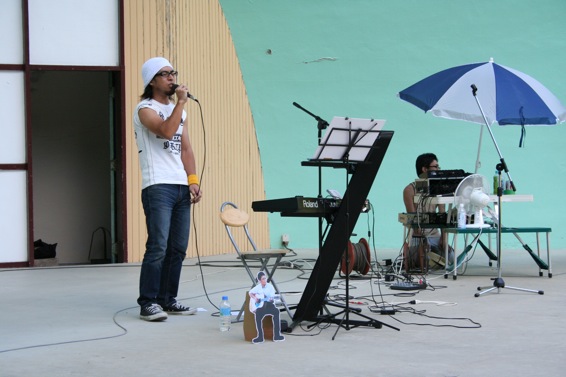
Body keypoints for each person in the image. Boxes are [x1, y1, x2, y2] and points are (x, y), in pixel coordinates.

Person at [133, 57, 203, 322]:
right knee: (158, 246)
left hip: (179, 186)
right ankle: (148, 302)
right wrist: (181, 103)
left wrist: (193, 179)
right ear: (152, 81)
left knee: (178, 248)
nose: (172, 78)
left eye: (173, 73)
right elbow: (165, 131)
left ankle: (167, 299)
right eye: (165, 74)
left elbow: (185, 148)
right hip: (157, 186)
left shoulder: (179, 111)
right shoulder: (145, 109)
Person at [403, 153, 452, 268]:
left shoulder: (438, 189)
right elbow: (412, 217)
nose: (438, 170)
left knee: (452, 259)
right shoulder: (409, 190)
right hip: (417, 237)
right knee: (424, 261)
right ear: (424, 169)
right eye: (435, 167)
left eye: (438, 167)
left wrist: (444, 239)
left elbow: (442, 214)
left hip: (435, 236)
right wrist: (422, 242)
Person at [249, 271, 285, 344]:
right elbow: (250, 293)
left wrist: (271, 299)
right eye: (263, 279)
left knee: (276, 311)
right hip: (261, 307)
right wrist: (255, 298)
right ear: (259, 280)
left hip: (269, 305)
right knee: (257, 314)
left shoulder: (270, 286)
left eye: (265, 278)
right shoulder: (257, 287)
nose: (265, 280)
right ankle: (260, 337)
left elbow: (271, 298)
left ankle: (277, 335)